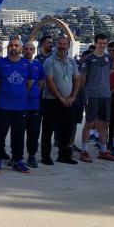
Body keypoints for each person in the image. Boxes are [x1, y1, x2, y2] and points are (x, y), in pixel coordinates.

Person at [0, 38, 31, 173]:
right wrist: (4, 94)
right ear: (7, 48)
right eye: (11, 45)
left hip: (20, 107)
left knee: (19, 135)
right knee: (0, 135)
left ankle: (18, 160)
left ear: (20, 48)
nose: (13, 47)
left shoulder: (26, 63)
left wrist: (20, 93)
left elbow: (29, 83)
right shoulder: (1, 63)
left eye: (16, 45)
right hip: (3, 105)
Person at [42, 36, 80, 164]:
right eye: (60, 43)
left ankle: (63, 155)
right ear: (56, 45)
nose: (62, 46)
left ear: (68, 46)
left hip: (68, 101)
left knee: (67, 129)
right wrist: (60, 98)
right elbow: (49, 81)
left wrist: (73, 96)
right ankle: (46, 156)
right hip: (52, 101)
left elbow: (77, 79)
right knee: (48, 130)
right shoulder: (49, 61)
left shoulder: (71, 62)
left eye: (65, 44)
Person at [79, 34, 114, 162]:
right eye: (100, 43)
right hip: (92, 95)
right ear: (95, 43)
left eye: (105, 43)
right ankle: (84, 151)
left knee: (104, 124)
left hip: (105, 95)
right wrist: (88, 92)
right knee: (89, 123)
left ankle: (103, 151)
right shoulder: (88, 59)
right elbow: (82, 79)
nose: (102, 45)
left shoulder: (109, 59)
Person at [22, 41, 45, 167]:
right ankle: (17, 156)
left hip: (34, 105)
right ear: (22, 50)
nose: (28, 51)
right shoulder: (18, 63)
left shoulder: (38, 65)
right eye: (26, 49)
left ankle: (32, 156)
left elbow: (41, 83)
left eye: (31, 49)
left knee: (33, 133)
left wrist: (35, 93)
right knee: (19, 133)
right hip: (20, 105)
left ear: (34, 51)